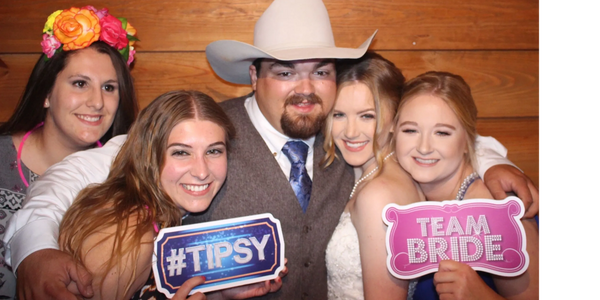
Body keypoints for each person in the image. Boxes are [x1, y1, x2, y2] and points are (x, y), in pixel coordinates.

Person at [2, 1, 541, 299]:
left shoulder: (347, 130)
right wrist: (34, 250)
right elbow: (75, 172)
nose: (305, 88)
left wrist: (495, 161)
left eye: (321, 72)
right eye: (285, 72)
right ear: (254, 76)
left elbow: (432, 129)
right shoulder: (203, 131)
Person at [58, 90, 282, 300]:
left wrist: (221, 291)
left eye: (213, 151)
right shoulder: (128, 233)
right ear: (149, 156)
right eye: (181, 152)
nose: (201, 171)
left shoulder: (161, 216)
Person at [0, 5, 138, 298]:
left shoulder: (124, 174)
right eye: (80, 83)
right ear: (47, 93)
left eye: (109, 88)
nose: (97, 102)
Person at [393, 71, 542, 300]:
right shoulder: (405, 190)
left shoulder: (495, 204)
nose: (424, 147)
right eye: (410, 130)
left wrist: (480, 296)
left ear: (468, 140)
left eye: (442, 133)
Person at [324, 52, 424, 300]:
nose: (350, 131)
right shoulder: (372, 174)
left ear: (395, 120)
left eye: (367, 115)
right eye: (339, 115)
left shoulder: (377, 195)